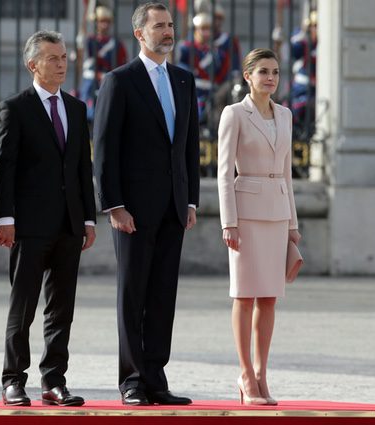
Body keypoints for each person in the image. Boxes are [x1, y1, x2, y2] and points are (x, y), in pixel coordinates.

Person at [93, 2, 199, 406]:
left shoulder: (185, 80)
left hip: (173, 208)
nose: (168, 32)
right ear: (140, 34)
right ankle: (132, 380)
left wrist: (190, 201)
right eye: (159, 26)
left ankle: (156, 377)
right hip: (133, 211)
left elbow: (189, 147)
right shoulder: (119, 81)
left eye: (171, 25)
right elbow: (104, 149)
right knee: (132, 294)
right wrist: (114, 204)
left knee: (162, 297)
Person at [0, 30, 96, 407]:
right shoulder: (15, 108)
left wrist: (88, 218)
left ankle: (54, 380)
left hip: (69, 225)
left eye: (65, 57)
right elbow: (5, 167)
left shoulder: (76, 107)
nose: (61, 64)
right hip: (30, 225)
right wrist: (4, 217)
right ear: (32, 64)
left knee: (61, 309)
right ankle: (12, 379)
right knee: (23, 305)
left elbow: (82, 168)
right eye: (53, 58)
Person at [217, 48, 301, 406]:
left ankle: (262, 374)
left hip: (278, 213)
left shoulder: (285, 115)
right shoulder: (234, 114)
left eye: (275, 72)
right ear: (247, 76)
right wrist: (229, 222)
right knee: (244, 295)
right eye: (263, 71)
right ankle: (245, 374)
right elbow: (223, 172)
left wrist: (293, 225)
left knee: (269, 297)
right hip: (246, 215)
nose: (270, 78)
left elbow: (287, 173)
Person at [78, 5, 127, 124]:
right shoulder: (90, 41)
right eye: (101, 21)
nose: (105, 25)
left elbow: (122, 63)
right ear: (96, 23)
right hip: (92, 78)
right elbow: (85, 62)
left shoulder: (116, 43)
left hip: (110, 77)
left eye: (107, 21)